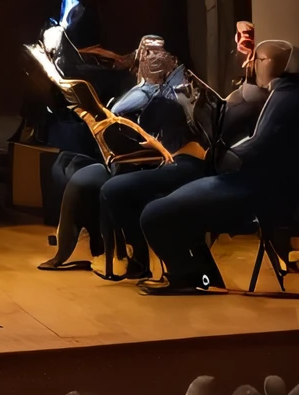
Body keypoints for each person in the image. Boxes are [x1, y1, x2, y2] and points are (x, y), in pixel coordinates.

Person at [140, 37, 299, 291]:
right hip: (253, 182)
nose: (251, 65)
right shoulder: (279, 92)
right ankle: (203, 278)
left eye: (256, 60)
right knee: (168, 209)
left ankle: (186, 278)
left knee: (155, 213)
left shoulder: (286, 97)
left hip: (253, 187)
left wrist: (218, 155)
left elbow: (257, 148)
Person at [37, 32, 199, 271]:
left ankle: (90, 248)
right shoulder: (146, 85)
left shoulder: (166, 91)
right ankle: (89, 242)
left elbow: (130, 114)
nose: (147, 57)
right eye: (145, 51)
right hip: (131, 156)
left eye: (154, 52)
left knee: (82, 179)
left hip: (148, 161)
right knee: (64, 163)